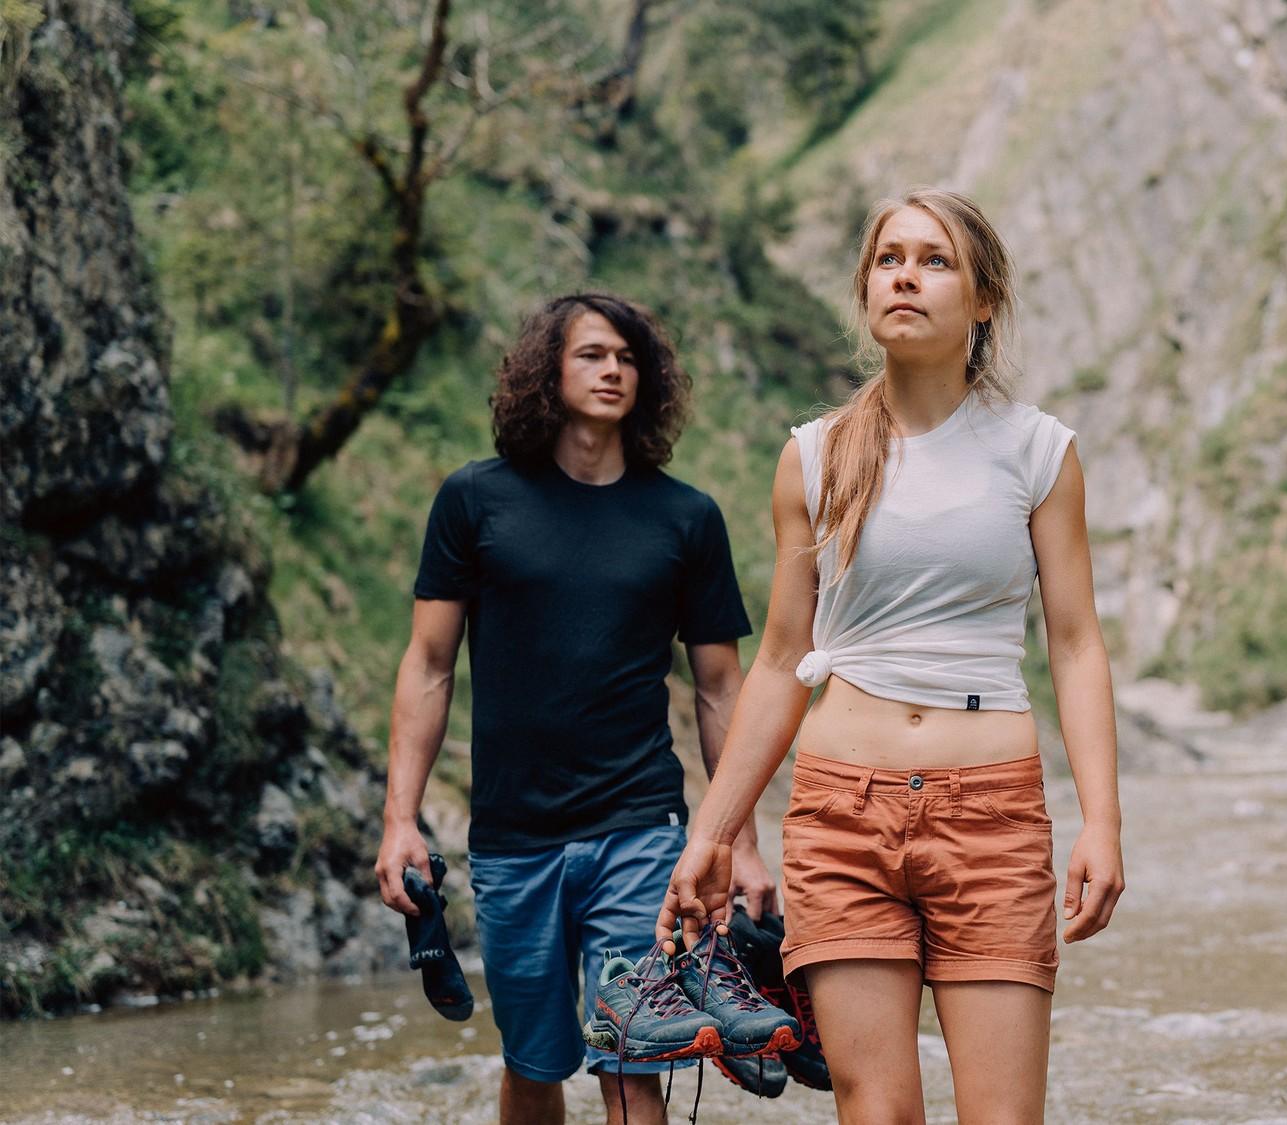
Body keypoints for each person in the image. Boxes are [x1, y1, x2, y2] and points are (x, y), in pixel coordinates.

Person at [659, 187, 1125, 1124]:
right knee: (877, 1112)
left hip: (991, 819)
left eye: (935, 258)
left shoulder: (1038, 451)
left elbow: (1075, 645)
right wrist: (713, 830)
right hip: (840, 817)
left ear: (983, 298)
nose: (905, 274)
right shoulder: (816, 455)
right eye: (888, 257)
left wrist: (1103, 822)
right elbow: (785, 658)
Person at [373, 293, 774, 1125]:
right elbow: (429, 665)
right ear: (548, 372)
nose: (613, 369)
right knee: (534, 1062)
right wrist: (399, 818)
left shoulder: (686, 518)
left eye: (628, 357)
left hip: (640, 826)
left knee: (633, 1056)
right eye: (592, 353)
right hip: (514, 837)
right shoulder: (475, 502)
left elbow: (720, 688)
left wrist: (738, 841)